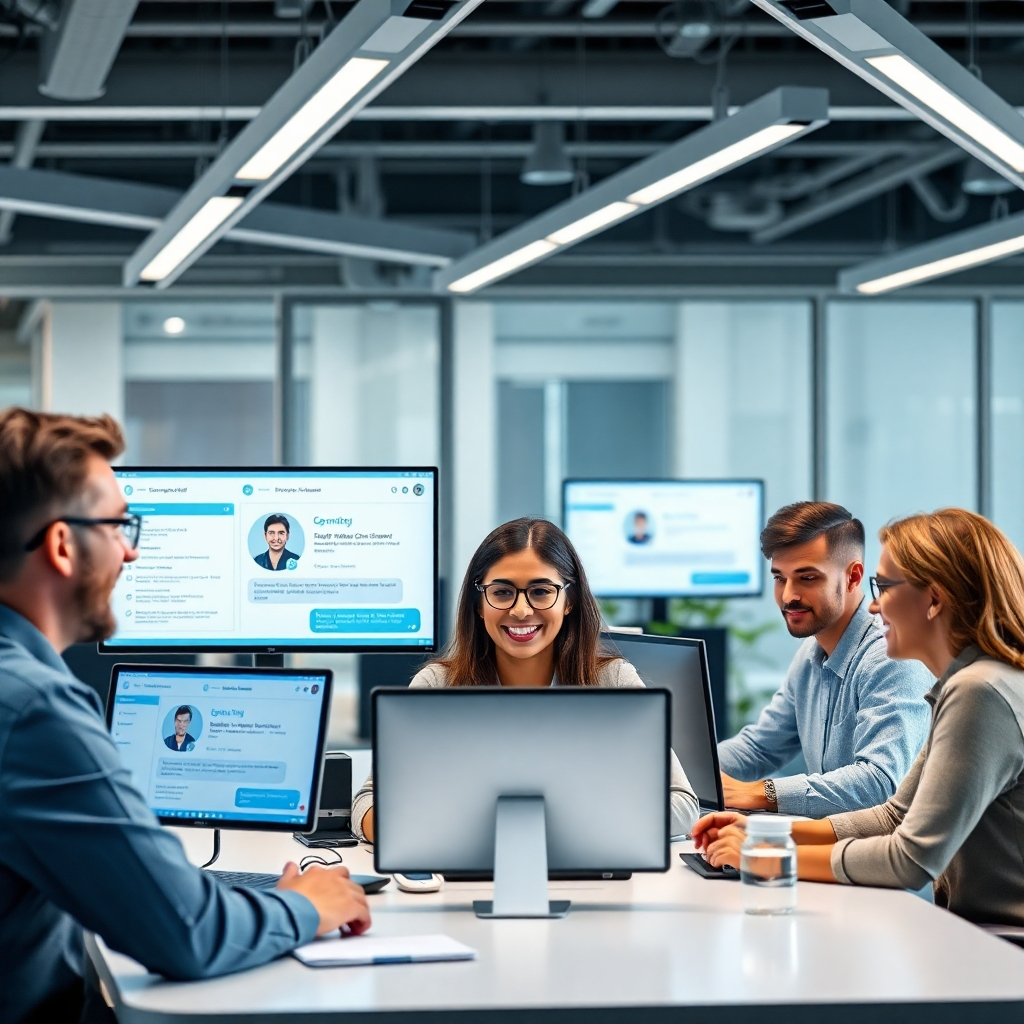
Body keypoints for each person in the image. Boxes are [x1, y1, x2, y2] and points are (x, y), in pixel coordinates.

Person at [0, 409, 370, 1024]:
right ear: (63, 545)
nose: (132, 552)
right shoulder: (35, 709)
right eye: (120, 525)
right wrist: (307, 905)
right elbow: (188, 931)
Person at [694, 509, 1024, 926]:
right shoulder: (967, 683)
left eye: (884, 587)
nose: (874, 603)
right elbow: (894, 816)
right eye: (780, 577)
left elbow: (908, 858)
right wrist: (763, 835)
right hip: (974, 932)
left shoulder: (979, 690)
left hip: (1003, 945)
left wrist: (768, 856)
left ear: (935, 599)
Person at [353, 517, 700, 843]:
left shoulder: (612, 680)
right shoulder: (437, 685)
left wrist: (559, 830)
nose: (520, 610)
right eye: (502, 592)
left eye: (541, 591)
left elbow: (683, 805)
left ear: (569, 601)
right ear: (479, 604)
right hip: (462, 878)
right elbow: (367, 803)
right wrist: (427, 828)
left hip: (585, 875)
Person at [717, 501, 932, 817]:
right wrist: (678, 771)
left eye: (807, 578)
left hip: (882, 857)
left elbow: (879, 781)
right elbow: (760, 748)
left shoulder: (891, 656)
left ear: (853, 576)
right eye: (780, 578)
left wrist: (762, 793)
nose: (789, 595)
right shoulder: (810, 654)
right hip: (834, 844)